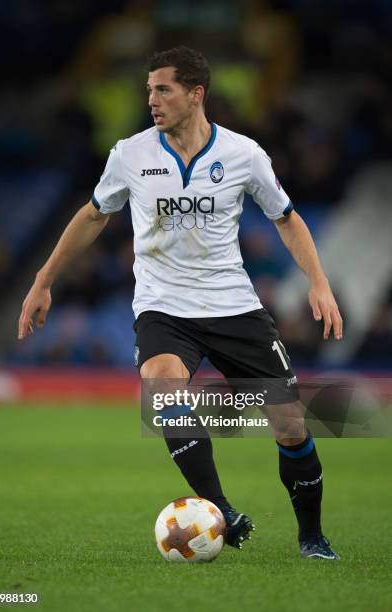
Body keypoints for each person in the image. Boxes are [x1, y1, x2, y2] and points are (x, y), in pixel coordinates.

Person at [18, 46, 343, 560]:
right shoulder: (130, 154)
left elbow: (286, 217)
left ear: (196, 94)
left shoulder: (244, 154)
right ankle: (220, 510)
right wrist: (43, 279)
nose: (151, 99)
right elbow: (94, 215)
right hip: (163, 309)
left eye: (163, 88)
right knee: (162, 385)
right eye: (149, 89)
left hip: (234, 306)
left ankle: (312, 536)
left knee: (290, 424)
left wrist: (318, 281)